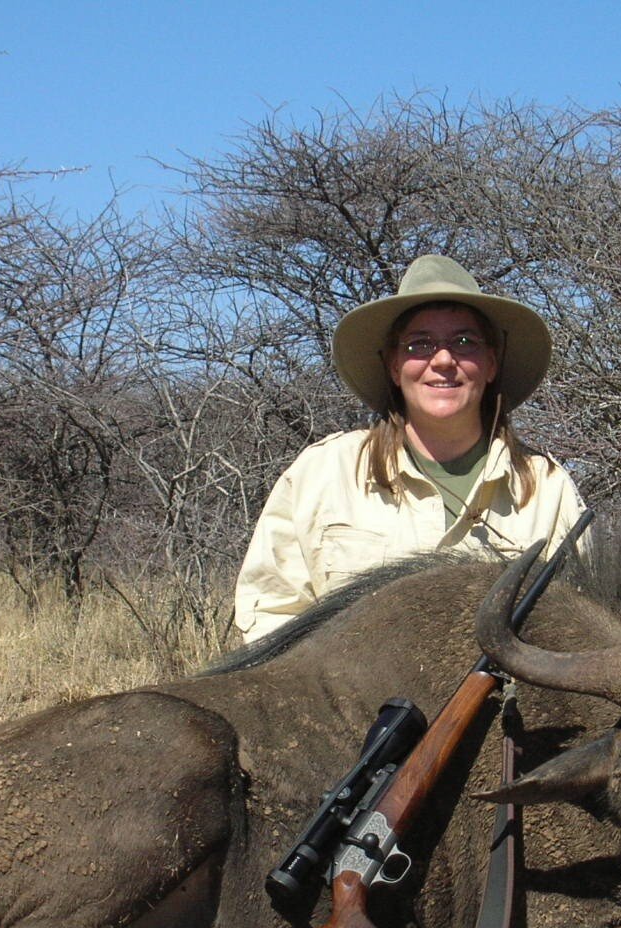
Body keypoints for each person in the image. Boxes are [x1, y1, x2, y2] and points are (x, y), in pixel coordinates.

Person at [233, 255, 587, 642]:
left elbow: (578, 632)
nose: (443, 360)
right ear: (393, 366)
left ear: (490, 364)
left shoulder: (547, 488)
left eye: (464, 342)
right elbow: (271, 611)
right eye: (420, 345)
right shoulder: (323, 471)